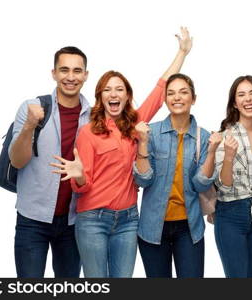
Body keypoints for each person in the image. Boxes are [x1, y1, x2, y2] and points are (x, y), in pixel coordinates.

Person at [50, 27, 193, 278]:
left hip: (128, 220)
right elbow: (81, 187)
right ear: (100, 97)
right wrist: (79, 175)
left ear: (127, 96)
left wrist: (182, 52)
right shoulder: (88, 133)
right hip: (93, 220)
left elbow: (160, 92)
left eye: (119, 89)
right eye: (107, 89)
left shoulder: (134, 125)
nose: (113, 94)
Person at [9, 46, 89, 277]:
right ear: (54, 73)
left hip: (74, 222)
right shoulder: (32, 108)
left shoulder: (93, 117)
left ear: (85, 75)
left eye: (77, 70)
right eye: (64, 70)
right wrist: (29, 126)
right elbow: (17, 161)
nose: (71, 77)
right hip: (32, 220)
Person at [133, 73, 222, 278]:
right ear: (165, 100)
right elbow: (143, 179)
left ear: (194, 98)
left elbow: (200, 185)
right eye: (171, 93)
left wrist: (211, 153)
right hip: (152, 227)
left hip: (189, 228)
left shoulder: (204, 136)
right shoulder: (151, 132)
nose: (177, 97)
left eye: (183, 92)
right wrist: (143, 143)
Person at [213, 75, 252, 278]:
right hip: (231, 214)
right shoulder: (225, 136)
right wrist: (229, 157)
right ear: (235, 104)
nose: (248, 99)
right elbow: (224, 186)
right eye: (241, 95)